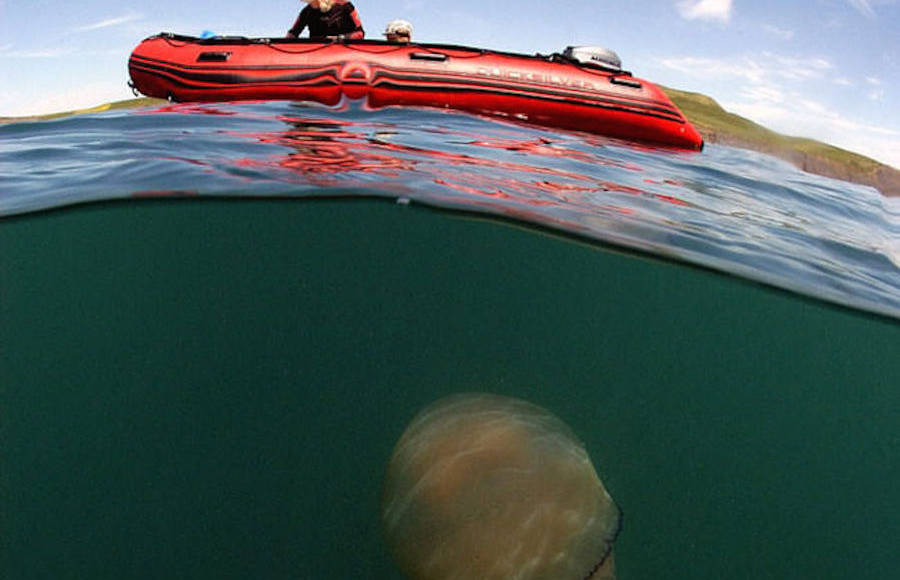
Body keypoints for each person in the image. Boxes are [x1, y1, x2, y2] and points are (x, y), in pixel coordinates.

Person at [287, 0, 364, 40]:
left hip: (342, 54)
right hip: (318, 57)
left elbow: (360, 33)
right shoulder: (306, 11)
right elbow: (292, 33)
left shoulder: (345, 6)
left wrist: (340, 38)